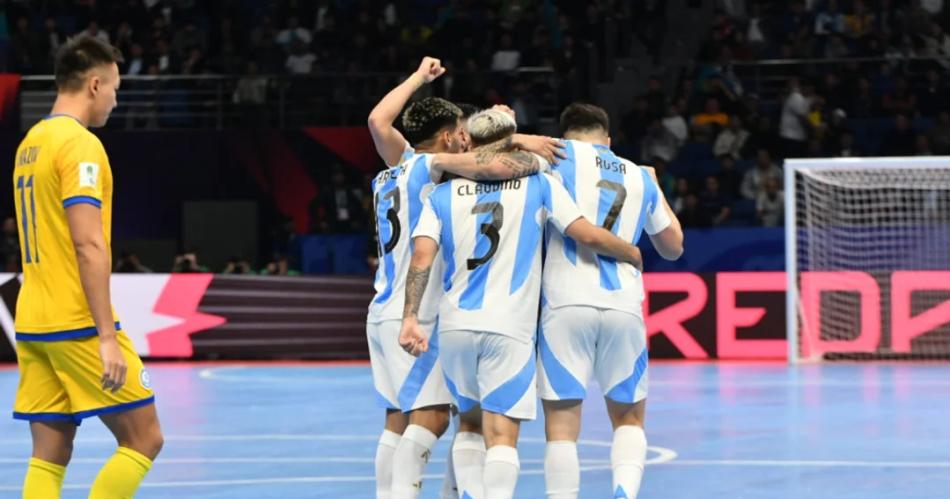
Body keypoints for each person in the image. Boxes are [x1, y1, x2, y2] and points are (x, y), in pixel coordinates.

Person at [399, 107, 646, 499]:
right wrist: (631, 252)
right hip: (509, 327)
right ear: (512, 139)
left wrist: (410, 318)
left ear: (470, 141)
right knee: (502, 437)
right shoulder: (539, 183)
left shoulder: (439, 194)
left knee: (469, 424)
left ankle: (470, 493)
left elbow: (421, 259)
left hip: (456, 324)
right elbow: (585, 233)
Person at [365, 56, 559, 499]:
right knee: (433, 418)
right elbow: (492, 167)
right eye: (462, 132)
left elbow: (378, 119)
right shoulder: (430, 166)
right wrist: (522, 143)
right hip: (415, 313)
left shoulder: (392, 171)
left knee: (402, 417)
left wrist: (417, 77)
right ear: (453, 136)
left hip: (382, 307)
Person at [11, 36, 163, 499]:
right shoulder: (80, 145)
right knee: (144, 438)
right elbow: (88, 243)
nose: (116, 100)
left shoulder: (30, 143)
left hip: (33, 320)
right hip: (75, 320)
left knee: (49, 453)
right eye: (116, 88)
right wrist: (105, 337)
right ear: (95, 84)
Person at [539, 103, 683, 499]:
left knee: (562, 424)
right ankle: (623, 494)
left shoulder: (551, 160)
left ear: (564, 135)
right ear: (608, 139)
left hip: (565, 302)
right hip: (623, 303)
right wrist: (654, 188)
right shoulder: (638, 174)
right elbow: (673, 247)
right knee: (628, 418)